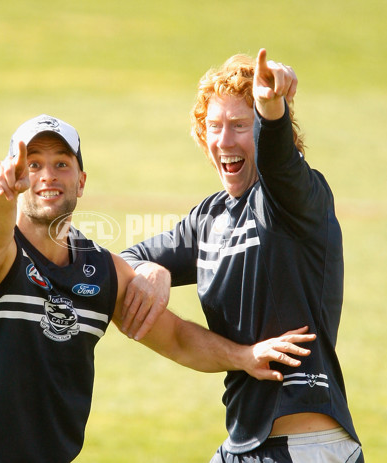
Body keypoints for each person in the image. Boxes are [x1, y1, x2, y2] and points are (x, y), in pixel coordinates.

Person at [0, 113, 317, 463]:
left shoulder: (100, 270)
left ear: (81, 180)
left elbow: (175, 337)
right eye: (32, 164)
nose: (46, 176)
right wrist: (2, 195)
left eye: (61, 164)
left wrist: (244, 355)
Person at [120, 49, 363, 462]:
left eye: (239, 125)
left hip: (304, 448)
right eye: (214, 126)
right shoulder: (210, 217)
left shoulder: (294, 198)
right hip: (244, 446)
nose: (224, 140)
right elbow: (124, 262)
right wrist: (150, 268)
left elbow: (280, 162)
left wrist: (271, 109)